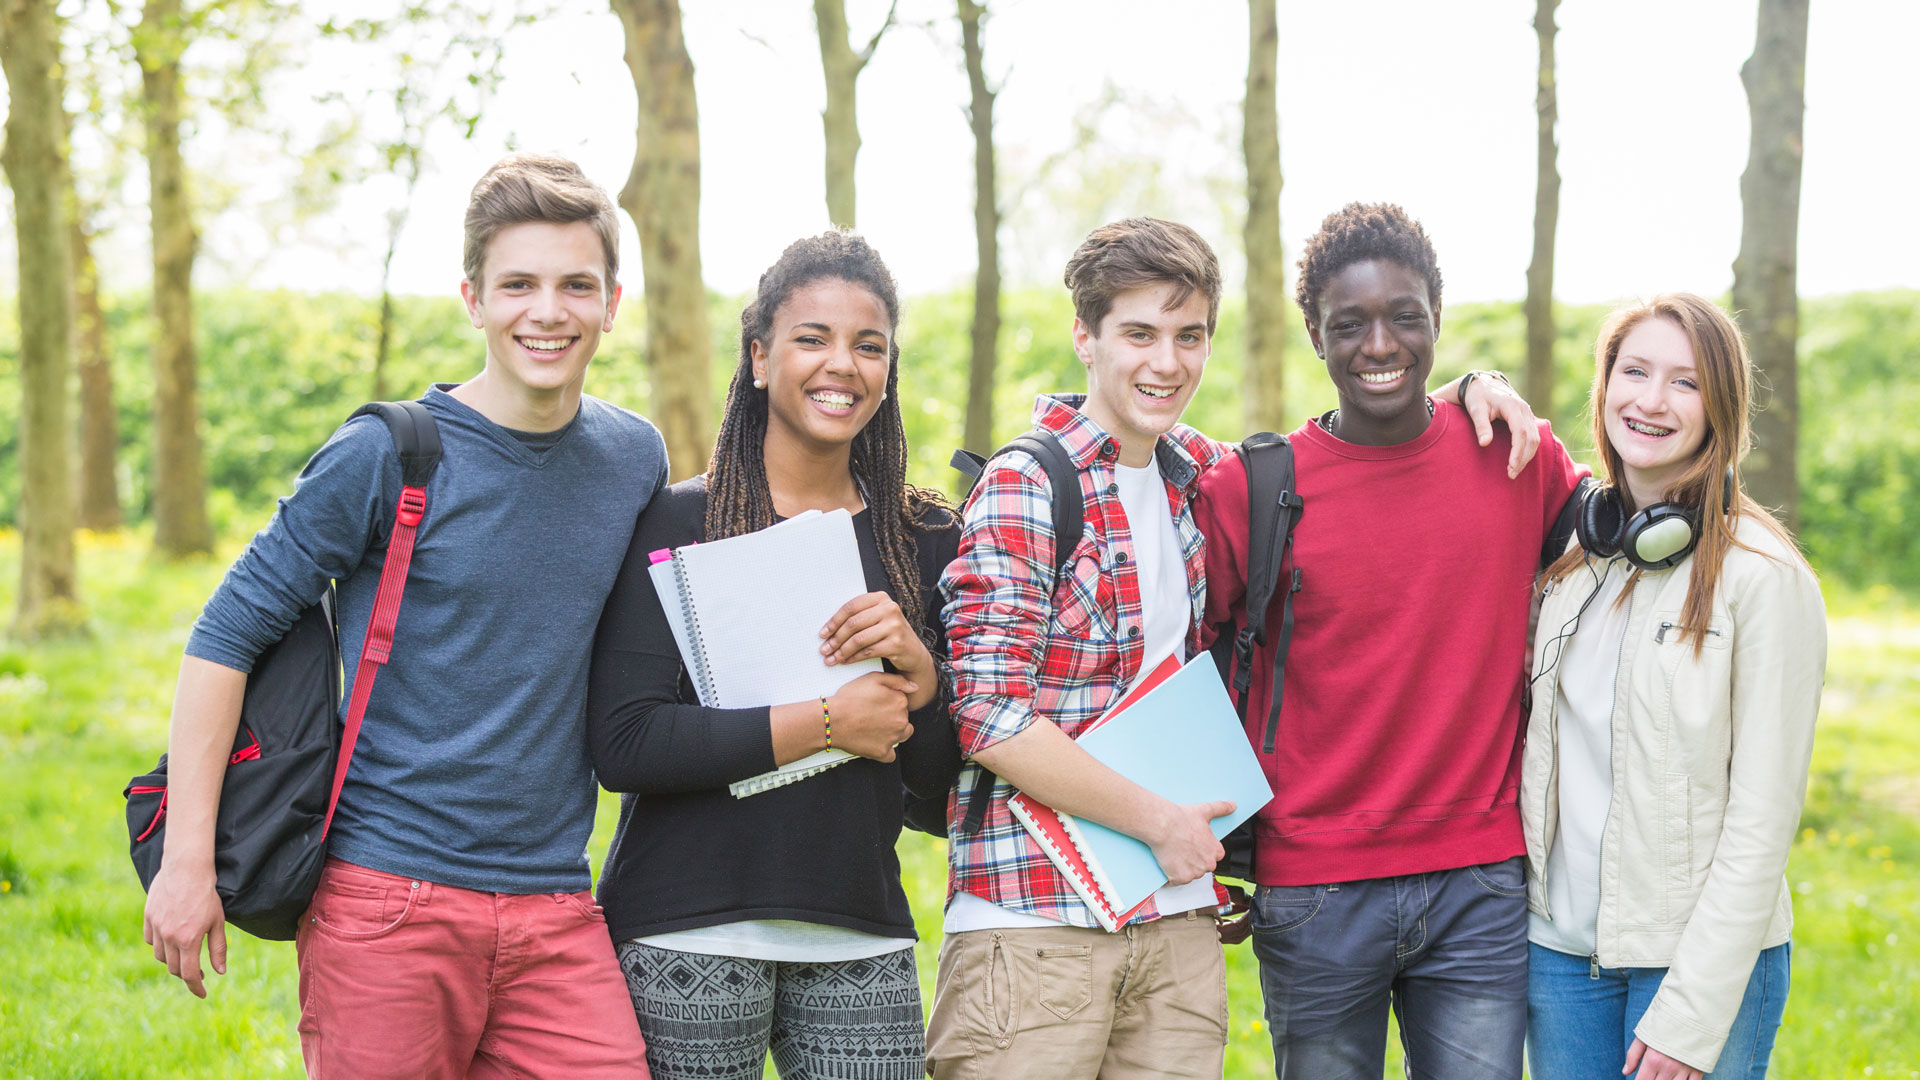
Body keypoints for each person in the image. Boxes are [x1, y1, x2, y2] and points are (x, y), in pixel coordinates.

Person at [929, 215, 1539, 1080]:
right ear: (1085, 336)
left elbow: (1356, 452)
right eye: (1137, 333)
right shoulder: (1030, 481)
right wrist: (1160, 823)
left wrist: (1478, 381)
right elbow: (987, 713)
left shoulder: (1204, 476)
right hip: (1038, 923)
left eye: (1189, 337)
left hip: (1173, 922)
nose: (1165, 362)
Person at [140, 154, 662, 1076]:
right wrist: (187, 864)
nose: (549, 311)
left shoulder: (634, 458)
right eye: (519, 284)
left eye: (576, 284)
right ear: (473, 298)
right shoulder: (389, 453)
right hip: (388, 900)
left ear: (613, 302)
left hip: (556, 905)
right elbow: (225, 635)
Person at [1195, 202, 1582, 1080]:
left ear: (1437, 319)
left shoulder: (1515, 456)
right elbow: (1180, 662)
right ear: (1313, 335)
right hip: (1315, 887)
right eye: (1351, 324)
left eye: (1405, 316)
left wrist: (1481, 381)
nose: (1381, 345)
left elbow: (1623, 535)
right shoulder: (1250, 490)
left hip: (1479, 879)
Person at [586, 231, 960, 1080]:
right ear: (759, 357)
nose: (844, 365)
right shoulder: (679, 522)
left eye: (870, 346)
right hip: (686, 927)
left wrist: (924, 674)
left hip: (858, 925)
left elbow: (934, 784)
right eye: (812, 338)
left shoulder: (924, 539)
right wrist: (830, 722)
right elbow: (626, 743)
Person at [1520, 294, 1825, 1080]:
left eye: (1685, 383)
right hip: (1561, 960)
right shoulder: (1577, 560)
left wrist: (1693, 1011)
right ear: (1605, 386)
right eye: (1635, 372)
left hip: (1692, 966)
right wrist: (1472, 384)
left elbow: (1763, 821)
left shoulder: (1765, 578)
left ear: (1721, 409)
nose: (1651, 401)